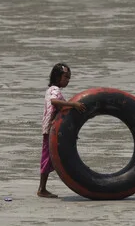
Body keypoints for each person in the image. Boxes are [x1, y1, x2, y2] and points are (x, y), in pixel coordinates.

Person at [37, 62, 85, 198]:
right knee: (47, 158)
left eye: (69, 78)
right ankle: (42, 189)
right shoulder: (54, 90)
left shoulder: (53, 89)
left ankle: (43, 188)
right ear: (57, 77)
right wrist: (73, 104)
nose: (68, 80)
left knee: (51, 157)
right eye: (66, 77)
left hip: (53, 129)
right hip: (50, 129)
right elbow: (54, 102)